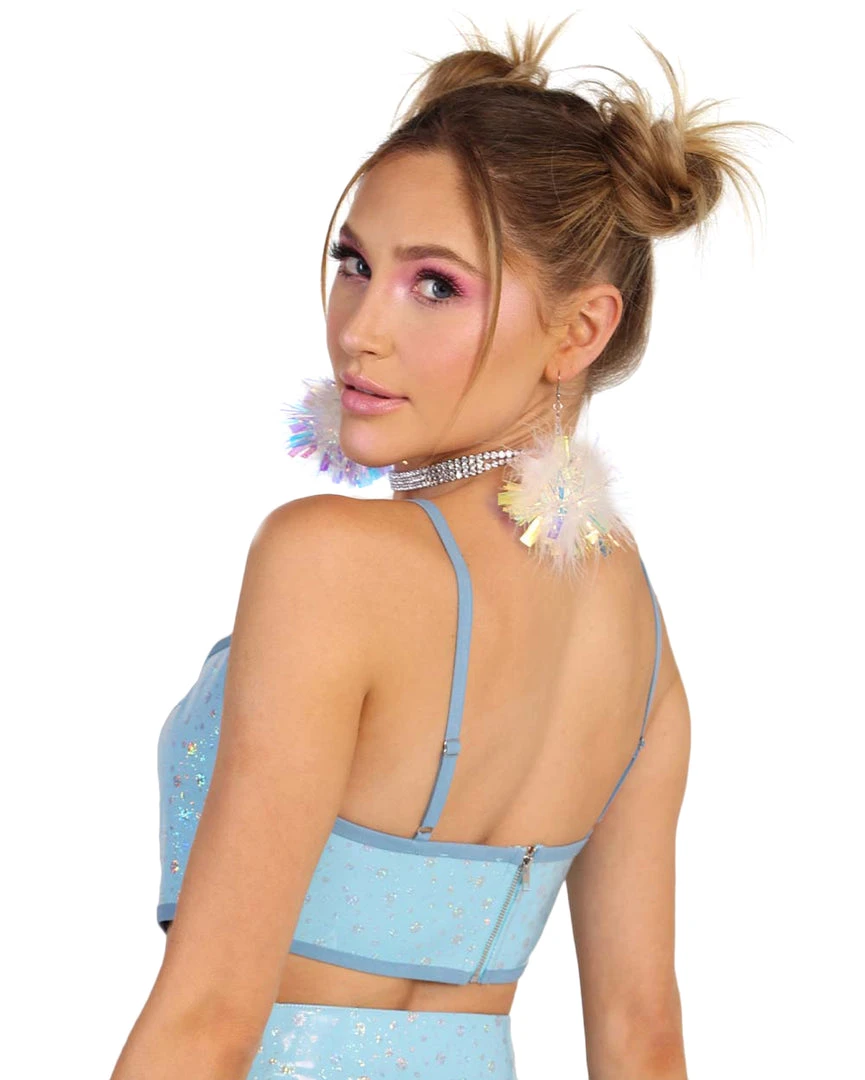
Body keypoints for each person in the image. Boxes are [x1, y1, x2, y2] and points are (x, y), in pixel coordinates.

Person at [111, 15, 768, 1080]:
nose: (359, 329)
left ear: (580, 330)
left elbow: (211, 1018)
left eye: (435, 285)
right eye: (354, 263)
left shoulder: (328, 559)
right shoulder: (637, 634)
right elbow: (643, 1038)